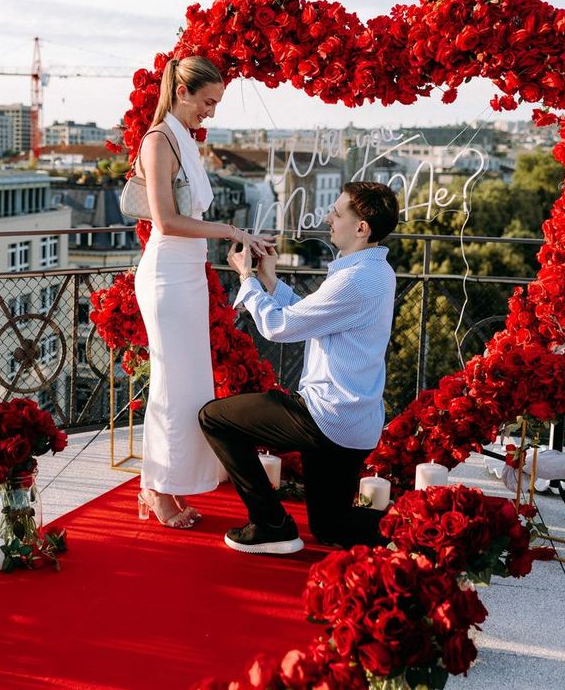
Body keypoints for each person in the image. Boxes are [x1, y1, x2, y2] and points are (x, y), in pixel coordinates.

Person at [199, 182, 399, 553]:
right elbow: (312, 315)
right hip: (353, 420)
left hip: (327, 415)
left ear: (362, 228)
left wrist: (245, 278)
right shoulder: (374, 270)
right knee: (331, 527)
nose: (328, 218)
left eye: (337, 213)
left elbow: (280, 327)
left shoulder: (356, 279)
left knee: (215, 418)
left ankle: (270, 523)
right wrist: (269, 279)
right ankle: (423, 526)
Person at [133, 55, 274, 529]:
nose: (211, 112)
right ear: (182, 93)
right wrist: (231, 230)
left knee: (188, 383)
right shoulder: (159, 141)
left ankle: (162, 482)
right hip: (167, 275)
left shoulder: (183, 141)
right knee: (172, 385)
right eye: (208, 102)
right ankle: (157, 488)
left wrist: (233, 236)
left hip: (188, 274)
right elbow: (167, 221)